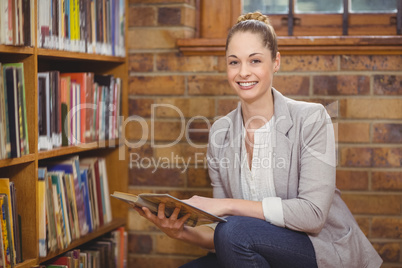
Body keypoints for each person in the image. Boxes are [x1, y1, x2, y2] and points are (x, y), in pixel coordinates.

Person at [133, 11, 383, 268]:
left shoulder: (311, 118)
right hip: (250, 251)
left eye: (254, 61)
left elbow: (313, 215)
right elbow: (221, 235)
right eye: (234, 62)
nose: (243, 72)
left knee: (235, 230)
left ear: (276, 62)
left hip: (316, 249)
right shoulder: (221, 132)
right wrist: (180, 232)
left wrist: (223, 205)